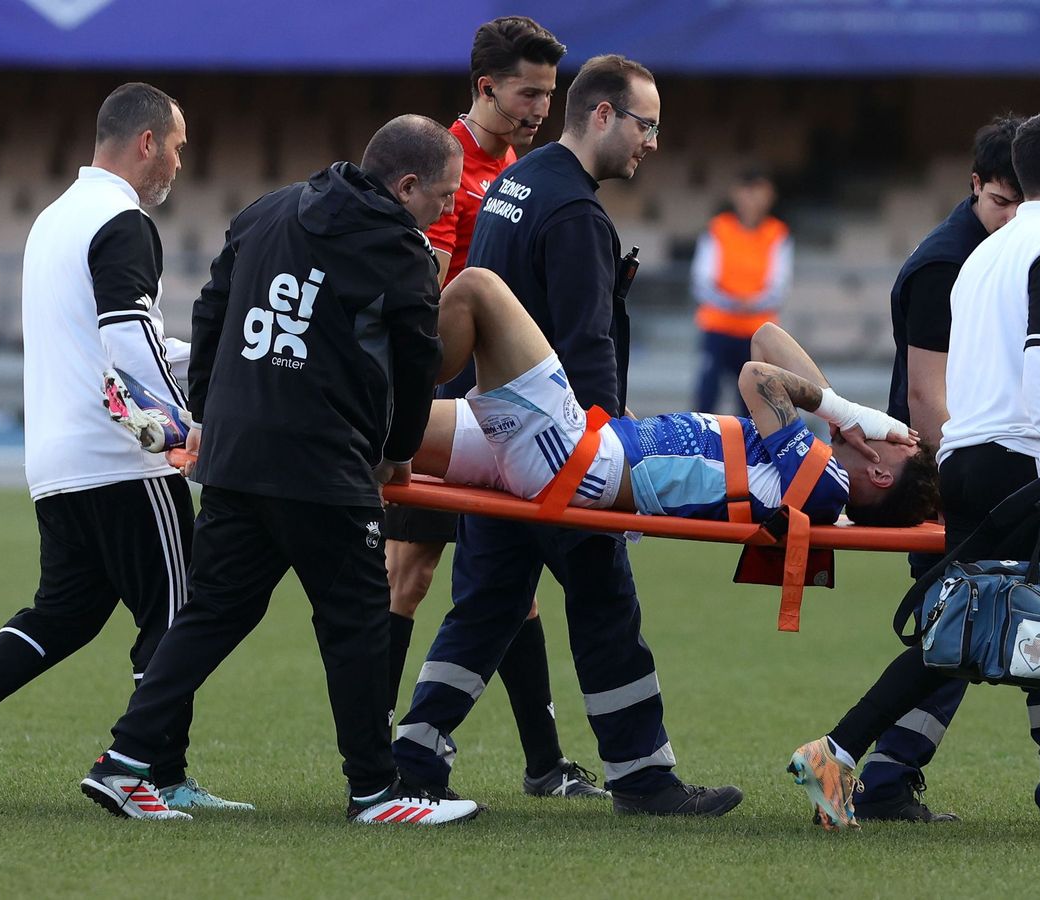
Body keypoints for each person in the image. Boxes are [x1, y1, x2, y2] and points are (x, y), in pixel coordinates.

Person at [79, 115, 482, 825]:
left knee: (211, 615)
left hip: (238, 459)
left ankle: (123, 761)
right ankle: (376, 792)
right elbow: (417, 369)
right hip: (323, 466)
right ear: (407, 185)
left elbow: (211, 306)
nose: (449, 210)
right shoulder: (401, 253)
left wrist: (209, 407)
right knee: (357, 622)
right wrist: (396, 450)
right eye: (444, 196)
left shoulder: (267, 210)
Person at [788, 110, 1040, 835]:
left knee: (958, 635)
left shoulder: (985, 257)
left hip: (966, 460)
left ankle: (835, 751)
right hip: (1023, 464)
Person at [393, 55, 744, 817]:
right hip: (558, 451)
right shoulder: (578, 216)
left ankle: (416, 751)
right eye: (647, 125)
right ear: (604, 116)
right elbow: (589, 354)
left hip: (494, 440)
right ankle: (643, 777)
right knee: (605, 604)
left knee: (485, 605)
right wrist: (613, 470)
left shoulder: (515, 187)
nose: (653, 143)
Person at [0, 83, 244, 812]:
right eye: (177, 146)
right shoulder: (122, 220)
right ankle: (153, 772)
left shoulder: (55, 219)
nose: (180, 163)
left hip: (57, 462)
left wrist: (199, 360)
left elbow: (117, 338)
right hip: (122, 457)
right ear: (147, 142)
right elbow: (127, 342)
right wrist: (186, 429)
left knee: (65, 613)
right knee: (180, 613)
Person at [380, 16, 600, 800]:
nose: (542, 107)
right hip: (440, 397)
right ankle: (376, 760)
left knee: (513, 577)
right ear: (484, 87)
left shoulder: (515, 164)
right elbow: (425, 283)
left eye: (550, 92)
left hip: (490, 397)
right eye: (527, 92)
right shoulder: (447, 162)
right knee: (408, 573)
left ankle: (544, 762)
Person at [409, 268, 935, 526]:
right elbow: (767, 336)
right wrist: (844, 416)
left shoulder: (824, 488)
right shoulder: (810, 461)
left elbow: (757, 375)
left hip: (573, 457)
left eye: (901, 440)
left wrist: (847, 414)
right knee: (390, 428)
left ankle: (381, 367)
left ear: (882, 474)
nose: (892, 426)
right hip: (577, 449)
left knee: (478, 288)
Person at [690, 168, 793, 415]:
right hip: (718, 327)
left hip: (757, 333)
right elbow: (702, 281)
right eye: (749, 193)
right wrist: (734, 302)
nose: (754, 200)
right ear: (737, 194)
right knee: (707, 394)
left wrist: (751, 303)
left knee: (753, 402)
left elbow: (779, 286)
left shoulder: (777, 234)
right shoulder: (718, 229)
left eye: (761, 194)